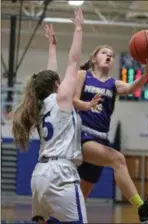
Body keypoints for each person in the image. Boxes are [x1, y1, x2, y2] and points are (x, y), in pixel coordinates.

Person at [72, 45, 148, 224]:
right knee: (118, 159)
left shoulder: (113, 84)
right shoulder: (83, 75)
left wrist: (147, 72)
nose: (109, 56)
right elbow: (73, 100)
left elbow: (132, 88)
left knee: (77, 201)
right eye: (104, 53)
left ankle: (53, 220)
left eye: (112, 54)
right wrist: (87, 105)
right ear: (94, 59)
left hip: (100, 139)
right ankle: (143, 210)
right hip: (82, 136)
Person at [12, 8, 87, 224]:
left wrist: (52, 48)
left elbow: (49, 75)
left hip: (40, 175)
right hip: (61, 174)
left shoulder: (41, 104)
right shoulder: (62, 99)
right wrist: (79, 28)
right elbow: (73, 60)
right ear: (57, 85)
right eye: (60, 80)